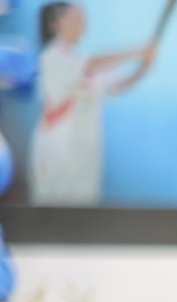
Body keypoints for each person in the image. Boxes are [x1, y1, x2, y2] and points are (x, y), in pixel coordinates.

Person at [24, 4, 157, 207]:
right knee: (54, 218)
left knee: (83, 216)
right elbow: (90, 65)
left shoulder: (81, 60)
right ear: (55, 24)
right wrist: (138, 52)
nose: (82, 25)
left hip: (84, 156)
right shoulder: (51, 58)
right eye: (76, 20)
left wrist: (144, 68)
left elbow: (120, 85)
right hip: (57, 156)